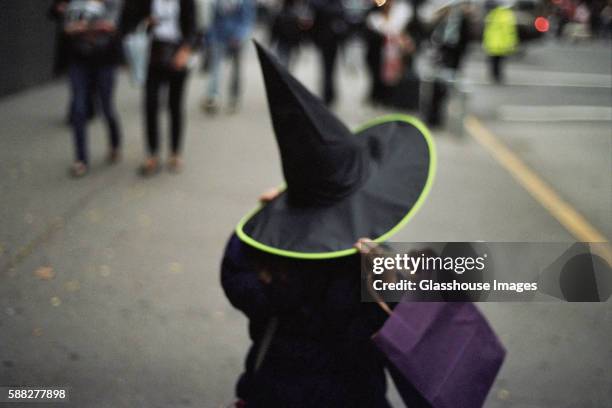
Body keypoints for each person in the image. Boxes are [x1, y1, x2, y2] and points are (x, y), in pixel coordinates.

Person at [222, 43, 436, 406]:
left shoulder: (263, 263)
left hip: (272, 394)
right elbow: (411, 327)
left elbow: (234, 272)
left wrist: (266, 228)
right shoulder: (371, 269)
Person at [120, 0, 199, 175]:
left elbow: (193, 28)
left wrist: (185, 50)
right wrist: (145, 23)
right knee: (150, 104)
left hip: (177, 53)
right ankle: (152, 153)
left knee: (175, 105)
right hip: (152, 54)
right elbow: (128, 21)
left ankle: (175, 152)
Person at [63, 0, 123, 177]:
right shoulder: (74, 4)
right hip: (79, 61)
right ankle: (80, 159)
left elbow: (113, 26)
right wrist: (74, 28)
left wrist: (91, 27)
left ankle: (114, 144)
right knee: (79, 109)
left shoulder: (112, 4)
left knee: (106, 108)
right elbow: (65, 26)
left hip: (104, 62)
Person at [202, 0, 256, 114]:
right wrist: (209, 38)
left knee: (235, 71)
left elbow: (247, 21)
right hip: (219, 38)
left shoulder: (245, 2)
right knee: (215, 68)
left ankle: (234, 97)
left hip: (237, 40)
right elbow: (213, 21)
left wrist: (239, 36)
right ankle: (213, 96)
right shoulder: (217, 2)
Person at [364, 0, 413, 106]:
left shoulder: (402, 9)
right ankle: (377, 96)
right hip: (376, 50)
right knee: (377, 74)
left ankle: (390, 97)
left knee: (393, 75)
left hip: (395, 51)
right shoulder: (374, 13)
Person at [309, 0, 350, 105]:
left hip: (326, 40)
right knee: (329, 69)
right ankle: (329, 94)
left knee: (327, 70)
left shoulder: (322, 5)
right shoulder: (337, 5)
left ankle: (328, 94)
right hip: (331, 41)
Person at [482, 2, 518, 83]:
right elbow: (511, 31)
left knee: (494, 61)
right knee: (500, 61)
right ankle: (497, 75)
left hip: (493, 43)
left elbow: (487, 30)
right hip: (502, 44)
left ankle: (495, 75)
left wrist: (485, 41)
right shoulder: (508, 15)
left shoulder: (491, 15)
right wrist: (512, 43)